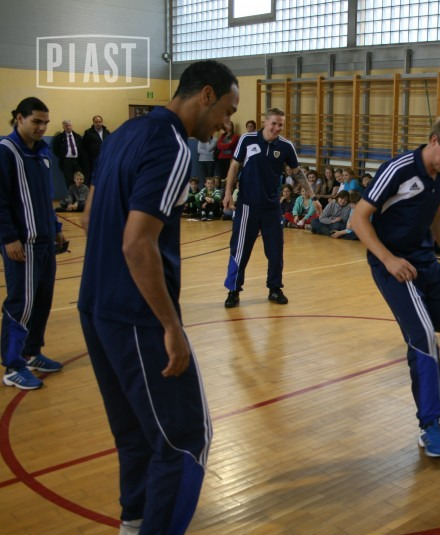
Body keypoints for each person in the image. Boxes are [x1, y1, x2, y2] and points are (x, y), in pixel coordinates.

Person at [78, 60, 239, 534]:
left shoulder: (123, 133)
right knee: (187, 439)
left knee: (136, 433)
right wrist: (171, 326)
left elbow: (89, 217)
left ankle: (134, 523)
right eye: (227, 111)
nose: (226, 124)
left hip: (95, 306)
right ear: (205, 95)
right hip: (137, 315)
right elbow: (137, 243)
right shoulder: (171, 145)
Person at [350, 115, 440, 457]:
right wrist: (388, 259)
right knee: (423, 337)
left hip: (426, 263)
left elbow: (436, 216)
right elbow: (358, 218)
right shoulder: (398, 169)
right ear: (434, 140)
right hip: (393, 266)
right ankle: (429, 423)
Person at [222, 108, 321, 308]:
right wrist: (227, 192)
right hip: (247, 206)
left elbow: (297, 172)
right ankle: (233, 290)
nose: (277, 128)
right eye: (274, 123)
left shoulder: (286, 146)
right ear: (265, 122)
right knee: (240, 249)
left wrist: (314, 197)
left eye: (280, 124)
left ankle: (274, 288)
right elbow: (234, 166)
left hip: (272, 208)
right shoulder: (247, 139)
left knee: (275, 250)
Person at [0, 96, 65, 390]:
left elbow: (45, 196)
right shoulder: (6, 151)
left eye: (45, 123)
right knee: (21, 304)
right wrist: (9, 238)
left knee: (41, 301)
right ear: (19, 118)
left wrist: (56, 227)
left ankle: (32, 352)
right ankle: (13, 365)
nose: (42, 128)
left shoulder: (43, 153)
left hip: (45, 241)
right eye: (36, 121)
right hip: (22, 244)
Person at [51, 119, 83, 188]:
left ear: (72, 126)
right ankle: (71, 194)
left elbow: (82, 149)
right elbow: (55, 150)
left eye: (69, 125)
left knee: (79, 179)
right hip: (66, 161)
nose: (68, 127)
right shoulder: (59, 137)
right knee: (69, 180)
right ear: (63, 127)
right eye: (66, 126)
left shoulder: (77, 136)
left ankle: (79, 194)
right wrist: (63, 156)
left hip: (77, 161)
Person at [82, 115, 111, 185]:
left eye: (99, 122)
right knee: (95, 177)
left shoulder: (107, 132)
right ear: (93, 123)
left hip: (105, 158)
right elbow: (84, 146)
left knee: (105, 175)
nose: (98, 123)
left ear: (102, 122)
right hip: (93, 159)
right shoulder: (88, 133)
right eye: (96, 122)